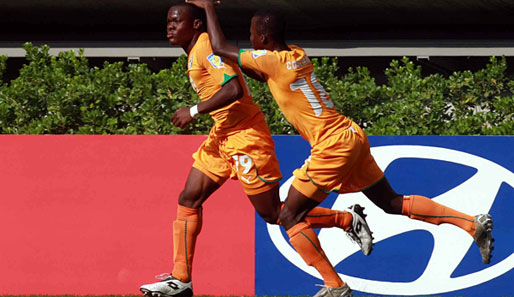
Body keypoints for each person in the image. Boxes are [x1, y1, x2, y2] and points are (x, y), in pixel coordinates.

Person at [185, 1, 495, 296]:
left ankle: (334, 284)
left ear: (263, 38)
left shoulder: (271, 61)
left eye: (252, 34)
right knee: (390, 201)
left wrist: (209, 7)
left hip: (332, 145)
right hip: (351, 134)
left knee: (289, 216)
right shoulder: (294, 55)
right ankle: (471, 223)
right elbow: (258, 69)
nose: (249, 39)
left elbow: (221, 49)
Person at [140, 3, 375, 297]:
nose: (170, 27)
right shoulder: (194, 50)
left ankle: (344, 222)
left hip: (245, 138)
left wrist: (193, 110)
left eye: (177, 21)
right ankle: (181, 279)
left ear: (197, 25)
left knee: (276, 214)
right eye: (168, 21)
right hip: (222, 135)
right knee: (189, 198)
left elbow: (234, 88)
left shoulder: (204, 49)